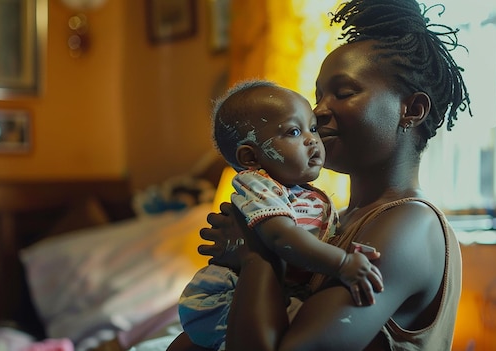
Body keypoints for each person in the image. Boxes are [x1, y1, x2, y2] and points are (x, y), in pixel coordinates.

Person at [169, 0, 472, 349]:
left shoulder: (412, 225)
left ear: (413, 110)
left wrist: (256, 253)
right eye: (318, 96)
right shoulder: (327, 224)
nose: (318, 110)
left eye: (343, 93)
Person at [178, 80, 384, 350]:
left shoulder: (303, 193)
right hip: (225, 297)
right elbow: (280, 236)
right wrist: (343, 262)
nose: (312, 138)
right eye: (294, 131)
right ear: (251, 158)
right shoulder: (259, 185)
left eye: (311, 128)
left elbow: (312, 240)